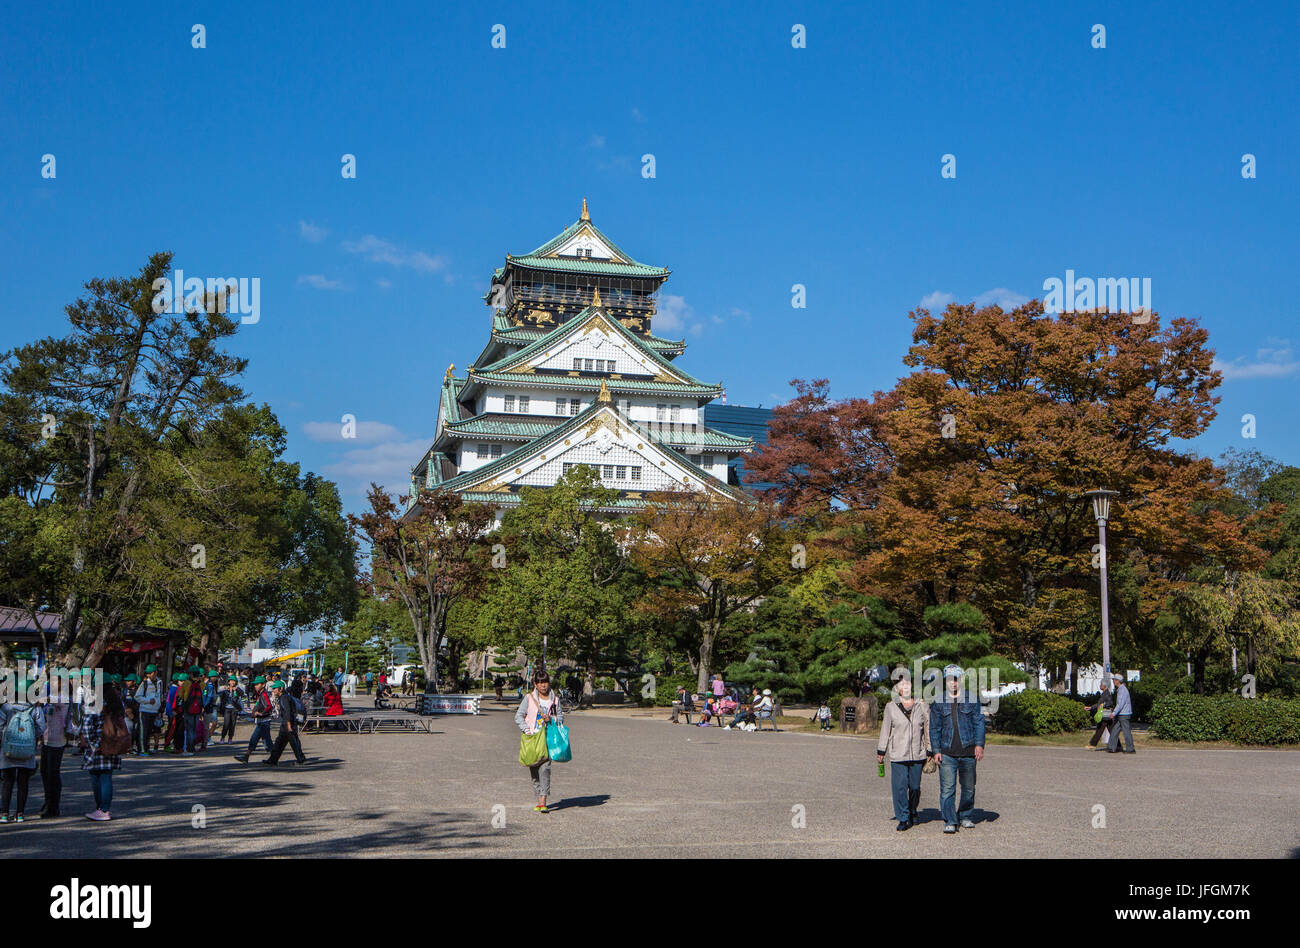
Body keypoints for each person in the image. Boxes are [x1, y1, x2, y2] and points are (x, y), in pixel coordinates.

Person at [929, 664, 985, 834]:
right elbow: (934, 728)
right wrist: (936, 750)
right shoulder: (938, 701)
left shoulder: (972, 699)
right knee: (947, 789)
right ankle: (950, 820)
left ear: (960, 679)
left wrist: (979, 745)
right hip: (947, 752)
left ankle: (965, 816)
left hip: (968, 751)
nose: (953, 683)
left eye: (955, 679)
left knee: (968, 787)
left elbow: (979, 723)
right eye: (949, 680)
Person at [876, 676, 932, 831]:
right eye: (902, 684)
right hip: (898, 753)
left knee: (914, 787)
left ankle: (913, 810)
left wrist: (929, 749)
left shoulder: (922, 705)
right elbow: (885, 729)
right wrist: (881, 750)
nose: (905, 686)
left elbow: (927, 728)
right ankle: (903, 817)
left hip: (917, 753)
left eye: (908, 683)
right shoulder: (890, 707)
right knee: (900, 787)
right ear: (897, 688)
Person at [80, 680, 130, 822]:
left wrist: (92, 744)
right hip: (113, 744)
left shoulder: (94, 702)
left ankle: (100, 809)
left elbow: (87, 725)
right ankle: (105, 809)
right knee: (107, 777)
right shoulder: (116, 702)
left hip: (98, 746)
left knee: (96, 777)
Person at [515, 672, 562, 813]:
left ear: (549, 683)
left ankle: (543, 799)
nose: (543, 685)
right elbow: (518, 716)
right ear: (535, 684)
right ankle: (538, 795)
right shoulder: (529, 698)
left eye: (545, 682)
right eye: (540, 682)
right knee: (534, 769)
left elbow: (560, 717)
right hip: (532, 739)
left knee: (545, 769)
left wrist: (552, 720)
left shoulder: (555, 700)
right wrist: (526, 730)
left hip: (548, 739)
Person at [0, 679, 47, 823]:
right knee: (23, 782)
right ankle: (20, 814)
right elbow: (41, 727)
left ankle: (4, 814)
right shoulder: (35, 708)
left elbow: (0, 725)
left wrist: (6, 738)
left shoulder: (6, 707)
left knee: (7, 782)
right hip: (27, 750)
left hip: (9, 749)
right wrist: (31, 738)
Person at [39, 681, 74, 819]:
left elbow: (48, 700)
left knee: (52, 774)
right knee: (44, 772)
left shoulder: (63, 697)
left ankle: (54, 806)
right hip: (47, 739)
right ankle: (48, 801)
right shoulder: (53, 697)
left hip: (58, 741)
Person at [264, 680, 307, 767]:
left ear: (281, 689)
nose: (273, 690)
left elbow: (287, 711)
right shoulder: (283, 697)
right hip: (285, 724)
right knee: (279, 742)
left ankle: (301, 760)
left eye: (275, 689)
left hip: (288, 723)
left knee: (294, 742)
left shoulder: (284, 698)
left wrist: (288, 725)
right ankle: (273, 760)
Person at [234, 676, 275, 763]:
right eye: (255, 684)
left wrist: (261, 713)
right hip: (261, 722)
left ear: (263, 685)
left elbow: (268, 706)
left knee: (266, 741)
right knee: (255, 739)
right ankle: (246, 756)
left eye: (257, 684)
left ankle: (274, 758)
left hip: (264, 722)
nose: (255, 686)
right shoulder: (260, 694)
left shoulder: (263, 695)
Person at [1106, 674, 1136, 754]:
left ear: (1117, 681)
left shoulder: (1122, 690)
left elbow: (1120, 704)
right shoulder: (1121, 689)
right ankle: (1111, 747)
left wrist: (1114, 713)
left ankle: (1130, 749)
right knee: (1115, 730)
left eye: (1114, 680)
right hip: (1122, 714)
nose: (1113, 681)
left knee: (1126, 732)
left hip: (1124, 714)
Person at [1084, 678, 1115, 750]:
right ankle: (1118, 745)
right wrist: (1091, 707)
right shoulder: (1104, 693)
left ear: (1105, 685)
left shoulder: (1107, 694)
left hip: (1105, 715)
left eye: (1101, 684)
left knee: (1100, 729)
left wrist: (1104, 705)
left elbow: (1110, 703)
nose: (1100, 685)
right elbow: (1099, 704)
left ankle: (1093, 744)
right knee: (1111, 730)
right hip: (1105, 715)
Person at [216, 676, 241, 744]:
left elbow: (242, 694)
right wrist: (223, 689)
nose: (232, 682)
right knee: (226, 724)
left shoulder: (237, 689)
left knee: (232, 724)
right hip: (227, 709)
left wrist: (236, 690)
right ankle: (223, 737)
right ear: (229, 682)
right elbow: (218, 694)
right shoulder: (225, 689)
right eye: (231, 681)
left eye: (234, 681)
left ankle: (230, 738)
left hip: (234, 709)